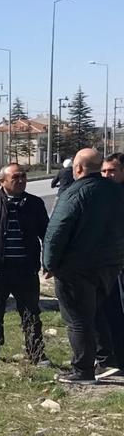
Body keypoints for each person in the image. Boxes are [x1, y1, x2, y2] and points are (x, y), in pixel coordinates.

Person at [42, 148, 124, 385]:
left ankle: (82, 371)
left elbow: (57, 230)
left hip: (76, 268)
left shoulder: (75, 193)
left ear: (77, 169)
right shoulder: (116, 192)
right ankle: (105, 360)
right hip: (109, 266)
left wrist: (49, 262)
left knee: (78, 319)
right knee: (95, 313)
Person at [0, 163, 51, 366]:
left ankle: (36, 353)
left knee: (31, 313)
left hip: (25, 269)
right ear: (2, 181)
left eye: (23, 176)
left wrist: (49, 261)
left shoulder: (34, 203)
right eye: (15, 177)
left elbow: (47, 234)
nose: (21, 180)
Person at [95, 152, 124, 372]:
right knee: (109, 311)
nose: (106, 175)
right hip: (107, 266)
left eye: (112, 171)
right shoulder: (100, 196)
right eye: (103, 171)